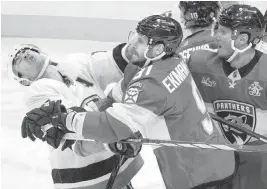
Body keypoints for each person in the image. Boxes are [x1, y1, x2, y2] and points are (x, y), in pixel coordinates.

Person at [21, 15, 237, 189]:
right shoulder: (169, 61)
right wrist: (89, 109)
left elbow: (113, 127)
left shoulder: (152, 84)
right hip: (211, 159)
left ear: (158, 49)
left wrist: (66, 118)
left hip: (200, 175)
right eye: (135, 35)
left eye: (142, 41)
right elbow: (120, 91)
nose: (133, 42)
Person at [7, 43, 143, 189]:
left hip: (117, 170)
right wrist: (113, 140)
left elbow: (118, 60)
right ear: (23, 80)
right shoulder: (35, 94)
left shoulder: (77, 65)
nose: (24, 54)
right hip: (84, 179)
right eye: (17, 60)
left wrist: (143, 45)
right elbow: (75, 138)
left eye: (26, 50)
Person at [186, 4, 267, 189]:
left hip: (257, 164)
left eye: (222, 31)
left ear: (242, 39)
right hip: (214, 159)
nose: (215, 37)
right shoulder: (198, 63)